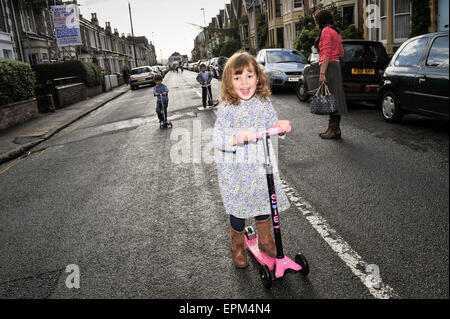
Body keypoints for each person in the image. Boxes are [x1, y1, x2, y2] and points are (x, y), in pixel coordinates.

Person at [213, 51, 291, 268]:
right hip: (235, 169)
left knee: (263, 201)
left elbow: (273, 125)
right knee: (239, 209)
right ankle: (236, 244)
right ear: (229, 82)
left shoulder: (263, 103)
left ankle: (265, 239)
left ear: (259, 77)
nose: (244, 82)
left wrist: (280, 127)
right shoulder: (228, 108)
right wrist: (234, 138)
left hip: (260, 165)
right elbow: (218, 138)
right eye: (237, 78)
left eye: (249, 76)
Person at [314, 9, 347, 139]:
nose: (316, 23)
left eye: (316, 20)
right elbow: (341, 51)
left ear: (320, 20)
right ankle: (334, 129)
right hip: (335, 64)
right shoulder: (335, 30)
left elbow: (327, 52)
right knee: (334, 98)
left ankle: (333, 130)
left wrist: (322, 72)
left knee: (331, 98)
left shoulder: (326, 31)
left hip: (329, 66)